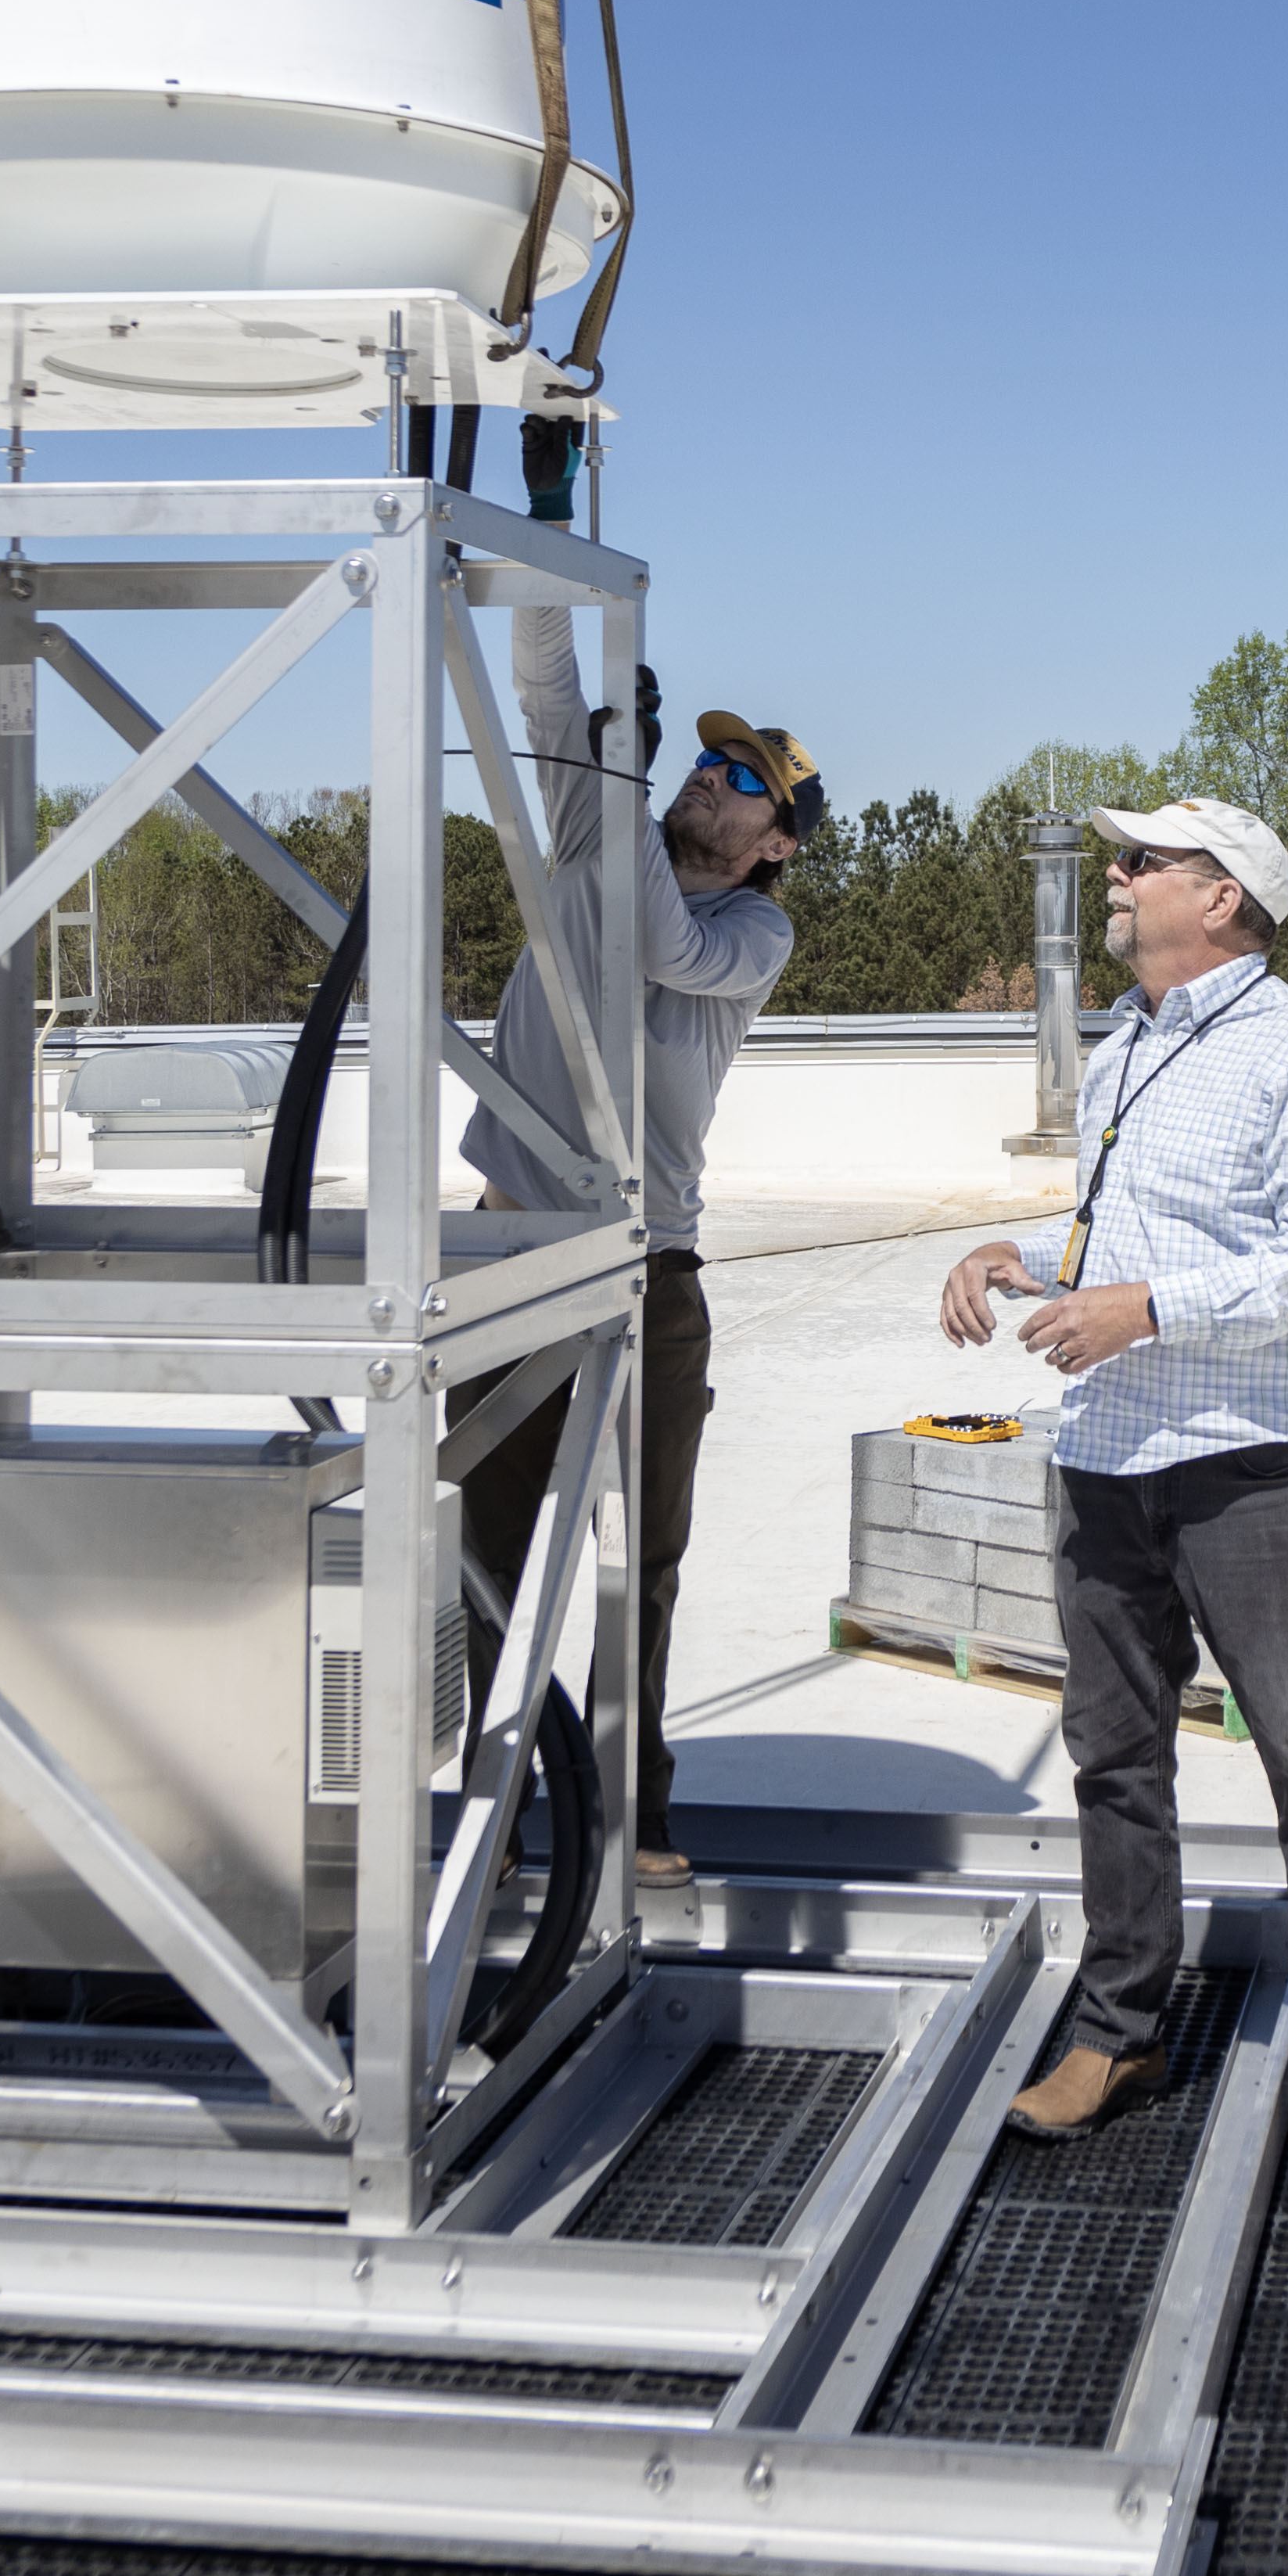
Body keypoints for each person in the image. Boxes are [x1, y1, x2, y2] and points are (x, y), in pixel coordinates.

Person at [936, 797, 1288, 2191]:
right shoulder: (1123, 1050)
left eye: (1145, 862)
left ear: (1225, 899)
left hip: (1254, 1461)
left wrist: (1151, 1313)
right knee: (1112, 1758)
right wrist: (1021, 1257)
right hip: (1110, 1454)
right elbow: (1121, 1249)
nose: (1118, 878)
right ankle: (1120, 2028)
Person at [459, 613, 820, 1887]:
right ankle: (487, 1820)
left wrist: (619, 775)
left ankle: (631, 1813)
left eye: (740, 786)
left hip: (648, 1272)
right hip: (507, 1260)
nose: (706, 785)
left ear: (774, 844)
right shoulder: (588, 826)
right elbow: (546, 695)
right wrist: (554, 548)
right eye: (705, 767)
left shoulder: (753, 938)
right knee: (485, 1554)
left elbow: (661, 941)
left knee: (642, 1558)